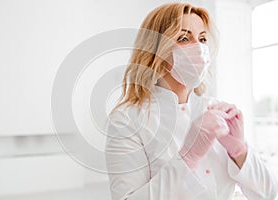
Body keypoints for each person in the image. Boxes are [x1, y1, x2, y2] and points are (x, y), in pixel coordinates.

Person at [104, 2, 278, 200]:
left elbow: (269, 193)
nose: (199, 47)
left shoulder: (215, 109)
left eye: (202, 39)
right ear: (156, 50)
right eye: (184, 38)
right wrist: (188, 158)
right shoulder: (128, 119)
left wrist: (240, 152)